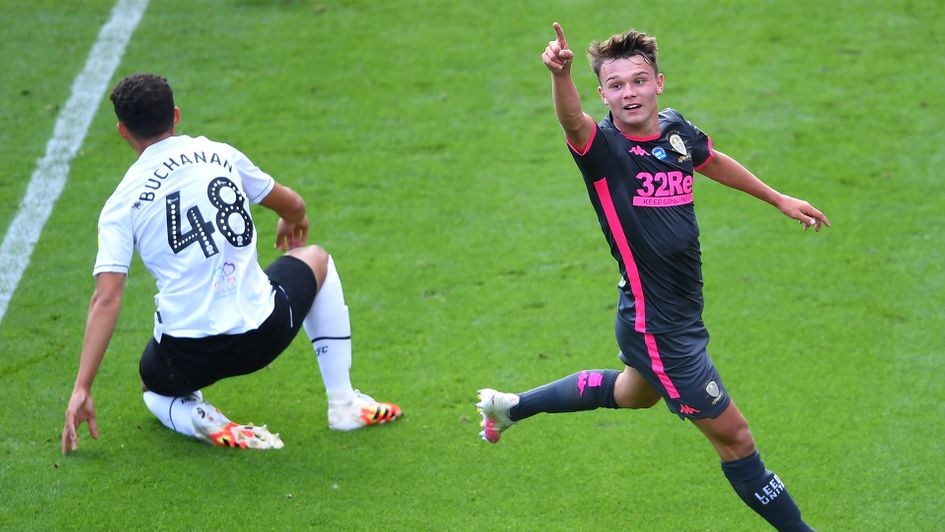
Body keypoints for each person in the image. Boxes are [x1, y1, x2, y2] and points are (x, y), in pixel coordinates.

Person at [476, 23, 828, 530]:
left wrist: (778, 198)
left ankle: (512, 408)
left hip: (669, 311)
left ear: (658, 83)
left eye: (638, 81)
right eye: (616, 85)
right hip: (659, 326)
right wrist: (561, 74)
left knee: (633, 393)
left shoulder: (674, 130)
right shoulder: (602, 151)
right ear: (603, 93)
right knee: (736, 439)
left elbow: (710, 160)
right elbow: (573, 121)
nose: (629, 93)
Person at [61, 73, 402, 453]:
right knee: (316, 258)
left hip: (185, 359)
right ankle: (343, 404)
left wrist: (82, 387)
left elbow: (106, 299)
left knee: (152, 384)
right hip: (263, 334)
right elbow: (295, 205)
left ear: (123, 131)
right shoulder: (219, 154)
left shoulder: (120, 203)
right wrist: (293, 218)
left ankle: (197, 416)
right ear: (175, 115)